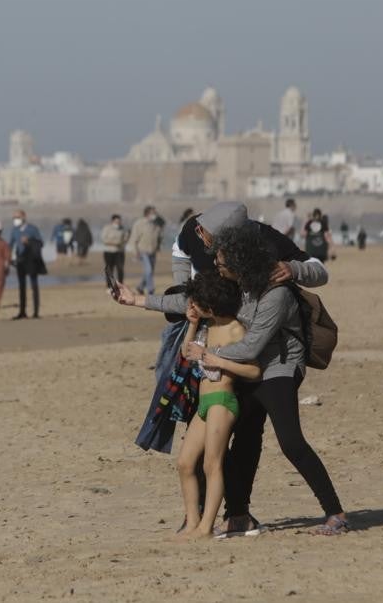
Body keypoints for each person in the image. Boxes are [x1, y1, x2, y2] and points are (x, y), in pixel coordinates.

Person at [122, 202, 330, 534]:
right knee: (203, 445)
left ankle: (237, 513)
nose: (200, 235)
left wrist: (292, 269)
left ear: (230, 246)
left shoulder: (267, 244)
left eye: (207, 234)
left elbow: (319, 270)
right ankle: (203, 515)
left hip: (262, 359)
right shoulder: (195, 234)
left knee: (252, 436)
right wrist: (150, 297)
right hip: (225, 353)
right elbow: (184, 273)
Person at [182, 224, 348, 536]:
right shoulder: (241, 285)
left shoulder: (276, 294)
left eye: (221, 262)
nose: (216, 266)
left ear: (240, 263)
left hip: (279, 368)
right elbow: (198, 301)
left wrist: (208, 354)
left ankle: (335, 513)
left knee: (291, 443)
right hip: (250, 367)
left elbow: (252, 345)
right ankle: (239, 515)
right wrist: (138, 300)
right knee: (236, 438)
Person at [170, 269, 260, 541]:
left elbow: (254, 371)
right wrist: (192, 324)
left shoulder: (235, 329)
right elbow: (186, 353)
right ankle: (192, 524)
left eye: (197, 303)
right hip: (204, 401)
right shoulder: (207, 326)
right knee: (185, 463)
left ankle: (206, 528)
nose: (193, 305)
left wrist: (216, 359)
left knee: (212, 464)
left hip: (222, 400)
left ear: (211, 305)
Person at [7, 209, 45, 320]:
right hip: (20, 260)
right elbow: (10, 245)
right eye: (14, 218)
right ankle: (22, 312)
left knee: (34, 286)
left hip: (32, 260)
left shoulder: (32, 229)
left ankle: (36, 312)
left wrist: (29, 241)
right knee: (21, 287)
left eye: (17, 217)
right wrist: (8, 258)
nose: (15, 220)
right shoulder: (14, 230)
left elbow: (41, 243)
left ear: (24, 217)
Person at [130, 206, 164, 295]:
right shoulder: (139, 223)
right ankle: (150, 290)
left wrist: (159, 248)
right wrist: (135, 252)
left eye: (155, 213)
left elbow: (159, 237)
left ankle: (140, 287)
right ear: (147, 214)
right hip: (142, 251)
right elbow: (134, 238)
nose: (155, 214)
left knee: (149, 272)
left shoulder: (156, 224)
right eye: (153, 213)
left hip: (153, 251)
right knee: (148, 270)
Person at [100, 214, 129, 284]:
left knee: (120, 268)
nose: (118, 223)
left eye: (119, 221)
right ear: (112, 221)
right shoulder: (107, 228)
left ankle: (120, 284)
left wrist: (122, 242)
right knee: (110, 269)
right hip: (109, 251)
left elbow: (125, 238)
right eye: (116, 221)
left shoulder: (123, 228)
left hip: (119, 252)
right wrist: (114, 243)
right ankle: (110, 285)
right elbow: (103, 239)